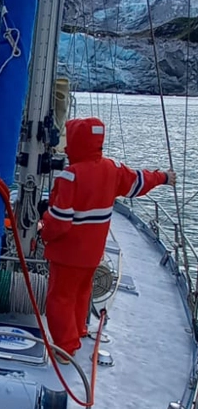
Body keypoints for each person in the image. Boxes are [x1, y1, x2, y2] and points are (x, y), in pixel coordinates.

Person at [39, 116, 176, 362]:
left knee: (60, 297)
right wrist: (163, 177)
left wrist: (42, 231)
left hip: (67, 254)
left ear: (77, 142)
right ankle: (80, 329)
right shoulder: (112, 169)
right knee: (82, 291)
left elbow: (58, 223)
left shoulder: (69, 177)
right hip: (92, 254)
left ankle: (65, 348)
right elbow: (139, 181)